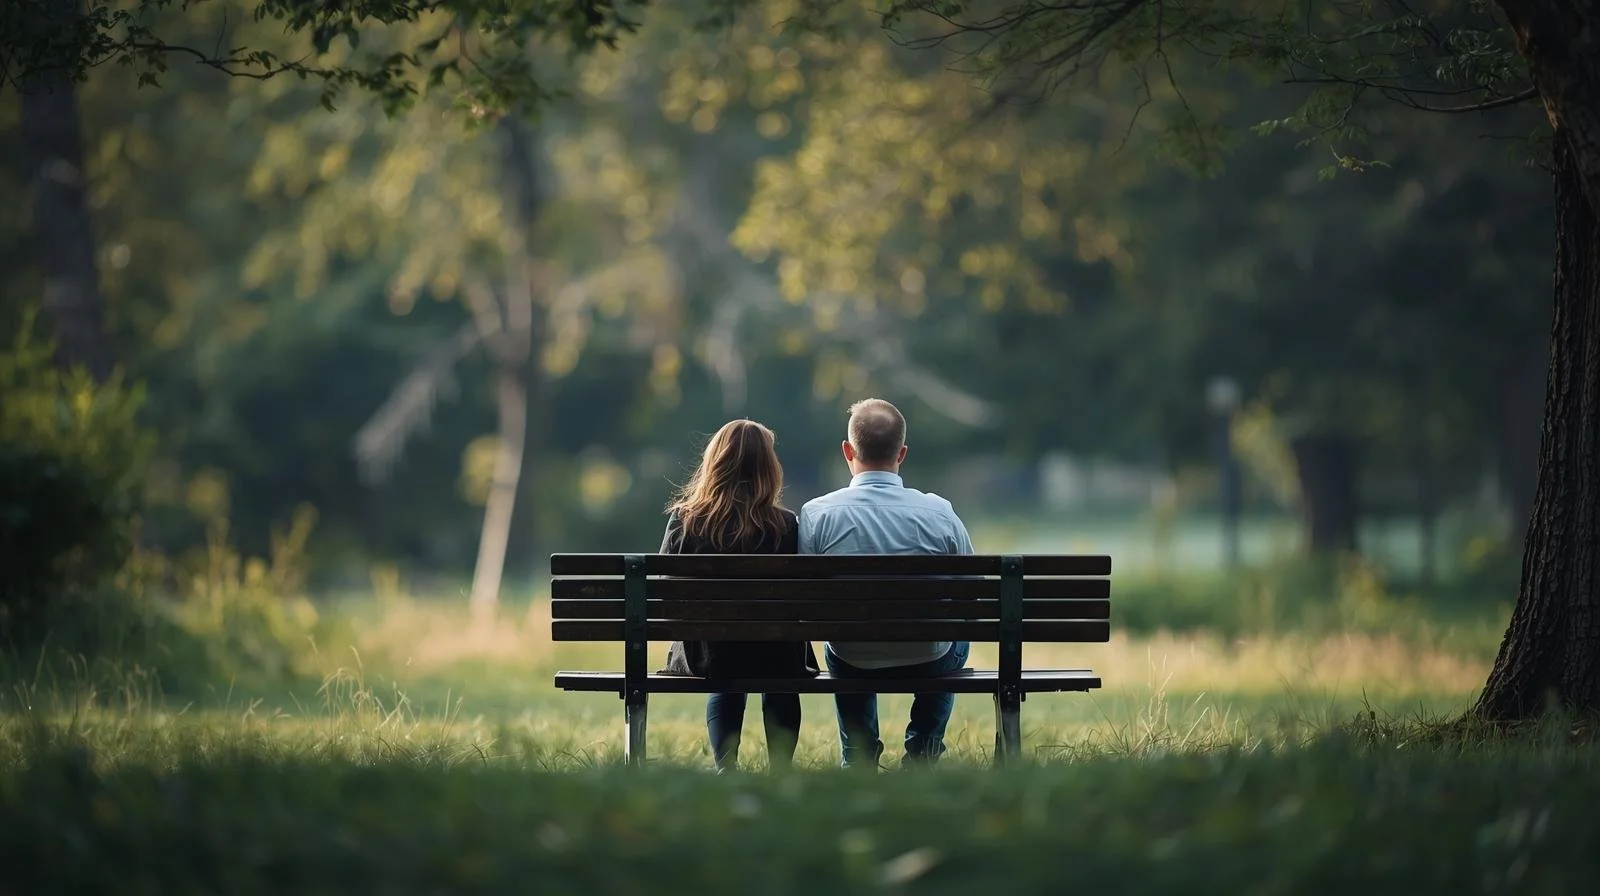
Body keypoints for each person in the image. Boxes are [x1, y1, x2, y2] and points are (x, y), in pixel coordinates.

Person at [798, 398, 975, 770]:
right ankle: (923, 748)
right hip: (927, 657)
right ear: (902, 453)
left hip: (853, 657)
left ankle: (859, 754)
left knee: (841, 642)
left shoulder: (817, 514)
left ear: (848, 450)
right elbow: (971, 589)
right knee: (954, 635)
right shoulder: (938, 512)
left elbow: (805, 595)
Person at [659, 419, 818, 772]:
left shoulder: (684, 522)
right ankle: (781, 771)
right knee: (778, 669)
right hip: (777, 655)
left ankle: (724, 767)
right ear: (768, 468)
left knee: (724, 657)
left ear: (713, 463)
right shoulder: (787, 525)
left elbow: (665, 594)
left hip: (709, 656)